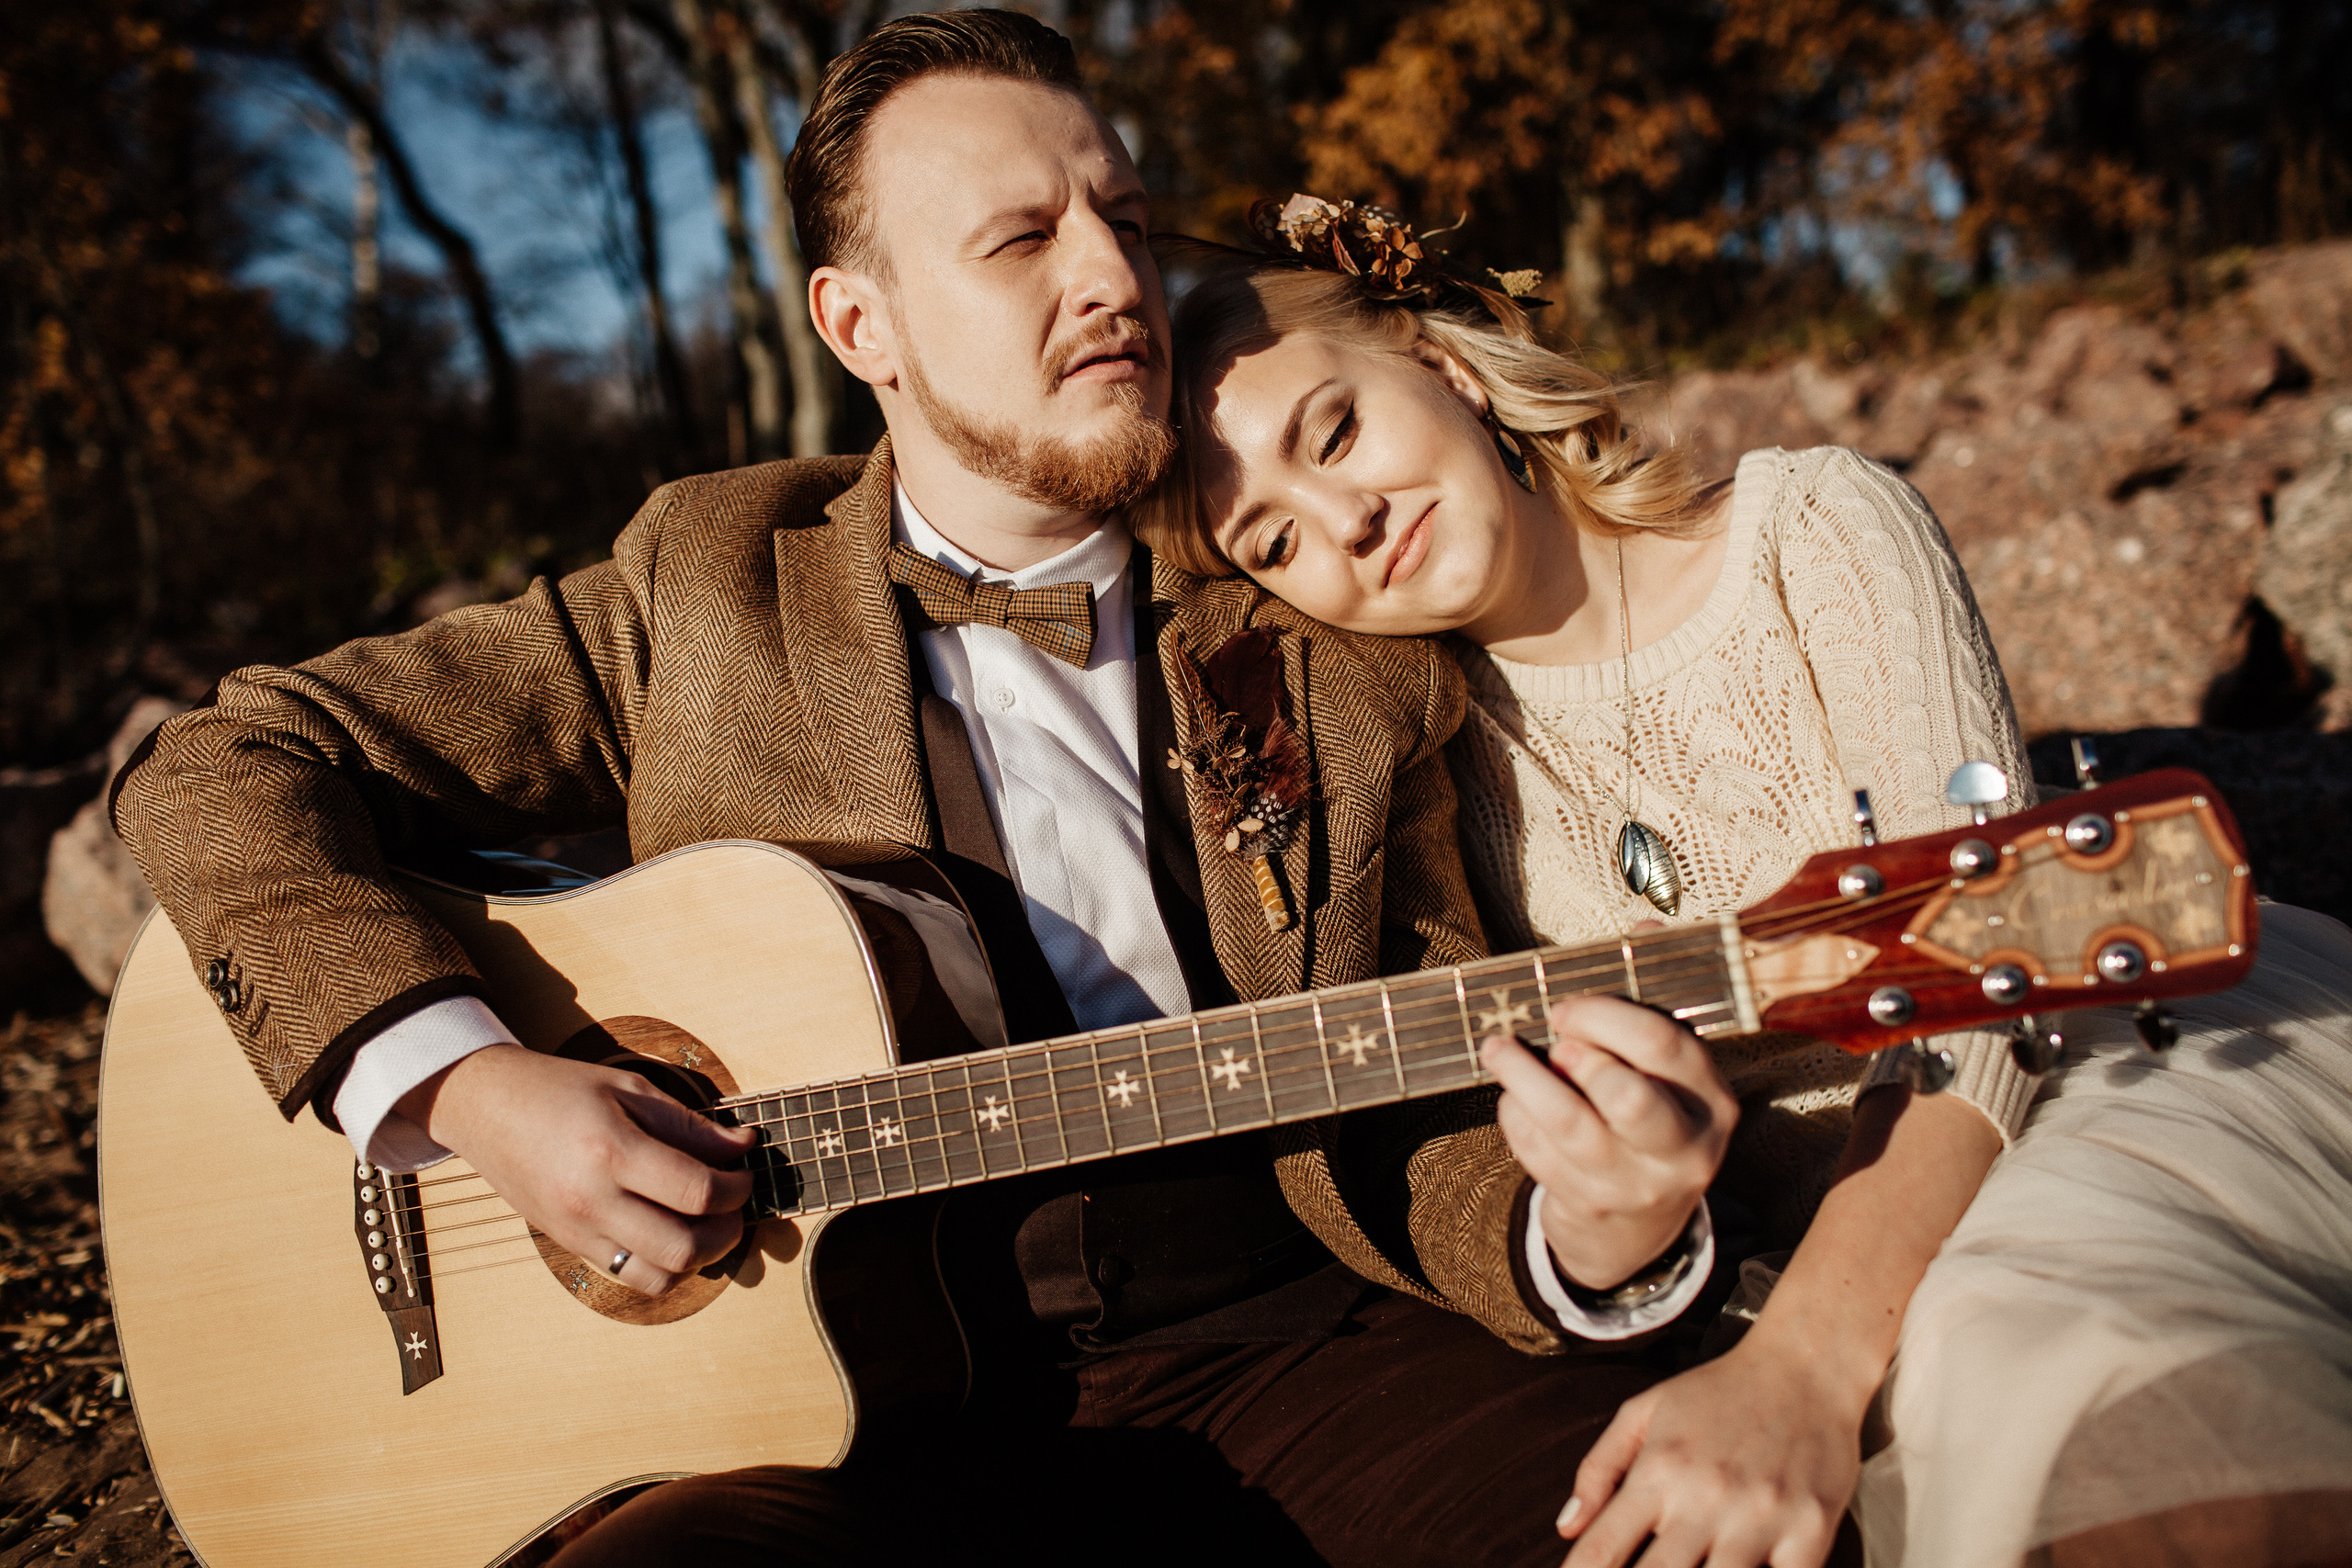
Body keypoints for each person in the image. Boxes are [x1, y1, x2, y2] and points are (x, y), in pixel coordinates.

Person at [112, 17, 1777, 1568]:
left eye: (1119, 215)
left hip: (1300, 1345)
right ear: (862, 327)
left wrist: (1594, 1228)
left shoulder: (1319, 614)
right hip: (821, 1433)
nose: (1112, 275)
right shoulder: (702, 585)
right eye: (1020, 239)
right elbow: (222, 766)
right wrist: (470, 1089)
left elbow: (1421, 1075)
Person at [1136, 199, 2352, 1568]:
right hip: (1801, 1229)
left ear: (1451, 368)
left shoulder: (1812, 527)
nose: (1344, 522)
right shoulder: (1419, 766)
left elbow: (1983, 1012)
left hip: (2088, 1066)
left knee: (2050, 1352)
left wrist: (1800, 1369)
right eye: (1277, 544)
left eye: (1336, 434)